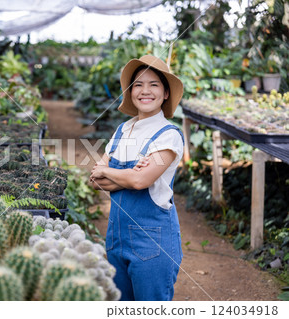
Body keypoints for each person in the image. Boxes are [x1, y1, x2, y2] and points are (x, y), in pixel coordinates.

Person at [89, 55, 184, 301]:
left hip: (152, 242)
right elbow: (96, 180)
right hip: (116, 238)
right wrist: (129, 174)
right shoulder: (123, 130)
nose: (145, 91)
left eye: (154, 84)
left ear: (165, 93)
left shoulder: (168, 136)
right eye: (138, 85)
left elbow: (140, 182)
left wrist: (112, 172)